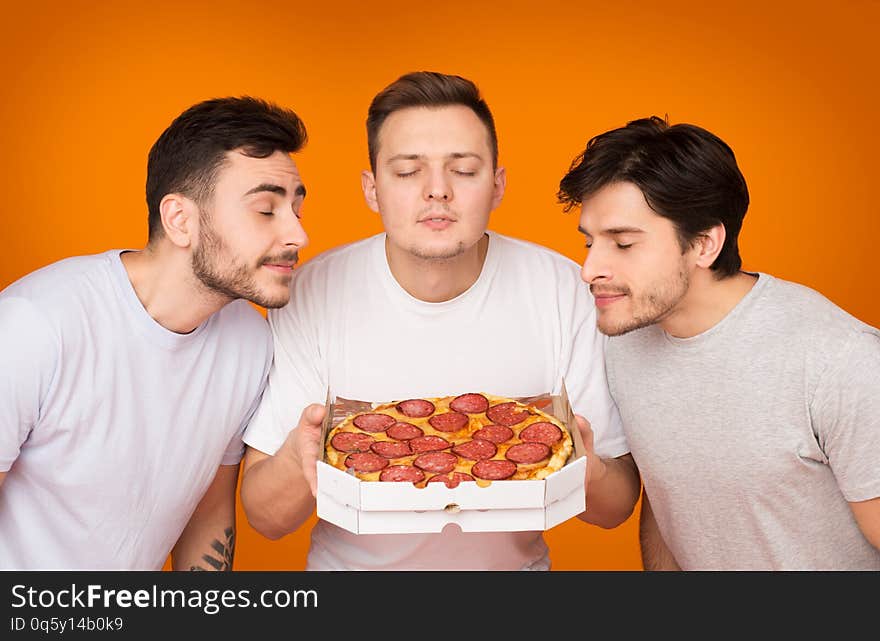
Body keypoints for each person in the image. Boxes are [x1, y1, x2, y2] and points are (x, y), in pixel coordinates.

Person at [240, 71, 641, 570]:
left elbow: (616, 506)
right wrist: (298, 459)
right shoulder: (311, 290)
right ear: (372, 189)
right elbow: (266, 517)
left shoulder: (566, 287)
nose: (437, 192)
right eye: (408, 171)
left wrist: (583, 467)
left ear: (497, 185)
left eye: (464, 170)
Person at [0, 96, 310, 570]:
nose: (297, 236)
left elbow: (208, 513)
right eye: (266, 210)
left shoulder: (250, 342)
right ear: (180, 220)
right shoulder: (35, 324)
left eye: (296, 210)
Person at [557, 115, 880, 570]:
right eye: (590, 243)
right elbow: (672, 496)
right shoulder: (624, 339)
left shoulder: (840, 362)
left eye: (623, 244)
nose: (590, 270)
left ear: (705, 244)